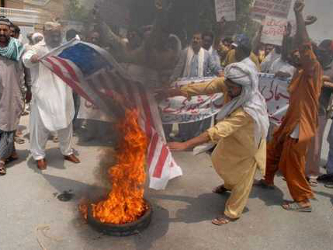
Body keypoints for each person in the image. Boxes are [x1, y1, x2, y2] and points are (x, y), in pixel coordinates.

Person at [157, 59, 269, 225]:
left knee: (243, 178)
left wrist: (185, 145)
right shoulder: (231, 85)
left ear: (244, 88)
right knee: (220, 161)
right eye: (227, 86)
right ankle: (228, 184)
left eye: (232, 88)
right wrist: (174, 92)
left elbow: (217, 131)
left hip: (247, 145)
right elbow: (205, 87)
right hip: (231, 139)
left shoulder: (248, 110)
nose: (228, 90)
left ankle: (232, 212)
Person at [255, 0, 327, 212]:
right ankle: (268, 179)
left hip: (300, 124)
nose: (295, 54)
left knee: (292, 162)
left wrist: (298, 15)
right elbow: (291, 46)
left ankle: (303, 199)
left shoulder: (312, 68)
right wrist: (297, 27)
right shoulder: (300, 70)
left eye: (299, 53)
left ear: (310, 55)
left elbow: (304, 46)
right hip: (290, 120)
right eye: (294, 53)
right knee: (273, 149)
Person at [23, 22, 80, 170]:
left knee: (66, 125)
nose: (56, 37)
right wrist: (33, 59)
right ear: (45, 33)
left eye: (58, 34)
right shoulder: (35, 48)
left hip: (64, 93)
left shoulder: (65, 47)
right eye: (52, 34)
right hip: (44, 96)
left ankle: (67, 151)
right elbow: (26, 58)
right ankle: (39, 155)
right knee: (40, 128)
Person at [169, 31, 222, 141]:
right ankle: (183, 135)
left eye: (198, 39)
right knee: (184, 111)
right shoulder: (185, 52)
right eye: (193, 38)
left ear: (201, 41)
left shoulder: (206, 54)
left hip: (199, 90)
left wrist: (222, 76)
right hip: (185, 89)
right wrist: (171, 81)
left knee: (196, 112)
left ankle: (193, 137)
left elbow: (214, 68)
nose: (195, 40)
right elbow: (179, 68)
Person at [0, 16, 26, 175]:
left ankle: (1, 159)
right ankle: (12, 152)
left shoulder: (19, 48)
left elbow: (27, 70)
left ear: (11, 31)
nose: (2, 32)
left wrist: (28, 90)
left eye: (5, 30)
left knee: (8, 126)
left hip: (11, 92)